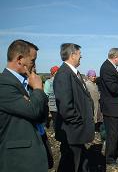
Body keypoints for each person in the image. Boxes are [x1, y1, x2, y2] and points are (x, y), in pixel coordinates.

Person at [0, 39, 49, 172]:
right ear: (20, 59)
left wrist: (34, 94)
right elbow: (33, 110)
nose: (35, 64)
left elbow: (41, 114)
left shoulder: (28, 82)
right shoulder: (4, 84)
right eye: (33, 60)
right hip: (19, 160)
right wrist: (38, 89)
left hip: (35, 151)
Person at [53, 43, 94, 172]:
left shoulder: (74, 73)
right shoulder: (63, 74)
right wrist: (79, 123)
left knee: (80, 162)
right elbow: (65, 106)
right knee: (70, 164)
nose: (81, 57)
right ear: (72, 55)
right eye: (79, 54)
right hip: (72, 131)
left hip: (76, 131)